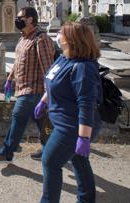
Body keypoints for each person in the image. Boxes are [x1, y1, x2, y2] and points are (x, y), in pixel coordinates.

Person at [34, 22, 101, 203]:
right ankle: (87, 199)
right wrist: (43, 102)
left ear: (71, 39)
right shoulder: (64, 58)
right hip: (61, 121)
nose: (57, 35)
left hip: (72, 128)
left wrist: (84, 138)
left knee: (50, 161)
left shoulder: (83, 68)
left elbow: (86, 105)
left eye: (61, 33)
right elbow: (53, 82)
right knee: (79, 161)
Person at [0, 7, 55, 162]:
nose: (17, 20)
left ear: (30, 19)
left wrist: (48, 94)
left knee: (18, 117)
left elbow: (48, 69)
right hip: (23, 87)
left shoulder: (41, 39)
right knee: (41, 121)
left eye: (20, 17)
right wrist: (10, 80)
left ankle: (7, 152)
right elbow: (18, 62)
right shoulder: (23, 38)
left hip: (34, 90)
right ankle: (50, 149)